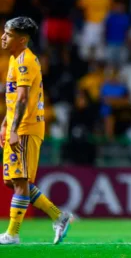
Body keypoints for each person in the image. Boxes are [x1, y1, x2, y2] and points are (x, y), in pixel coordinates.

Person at [0, 17, 72, 245]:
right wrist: (5, 122)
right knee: (12, 181)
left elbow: (22, 98)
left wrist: (13, 129)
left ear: (22, 39)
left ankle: (12, 234)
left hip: (25, 128)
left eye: (8, 34)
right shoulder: (15, 59)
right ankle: (59, 216)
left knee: (20, 180)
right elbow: (15, 98)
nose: (3, 37)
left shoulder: (25, 61)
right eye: (4, 32)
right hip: (17, 125)